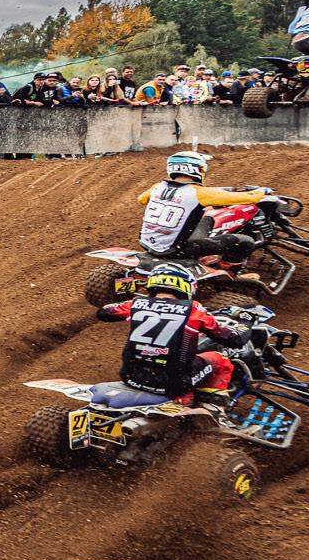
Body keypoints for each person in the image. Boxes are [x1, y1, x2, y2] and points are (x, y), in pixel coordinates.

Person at [94, 267, 248, 409]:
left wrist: (132, 301)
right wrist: (245, 322)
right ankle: (214, 410)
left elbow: (103, 313)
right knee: (220, 360)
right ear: (185, 286)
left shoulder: (134, 304)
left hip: (131, 377)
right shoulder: (194, 309)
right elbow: (234, 339)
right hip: (173, 384)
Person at [135, 151, 271, 263]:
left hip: (148, 243)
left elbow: (141, 199)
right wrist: (261, 192)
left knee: (208, 218)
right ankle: (229, 272)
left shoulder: (157, 187)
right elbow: (249, 198)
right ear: (198, 169)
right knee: (246, 242)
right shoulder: (199, 193)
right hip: (176, 250)